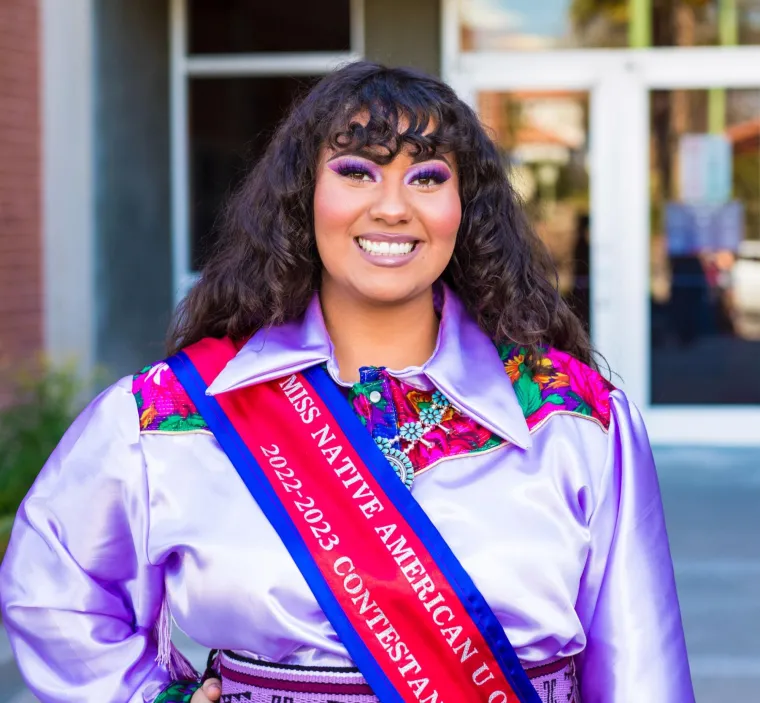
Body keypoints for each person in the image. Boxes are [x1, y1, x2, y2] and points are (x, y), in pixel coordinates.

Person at [0, 61, 695, 703]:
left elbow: (643, 672)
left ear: (466, 208)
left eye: (427, 177)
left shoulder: (573, 419)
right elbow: (50, 584)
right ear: (305, 197)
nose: (393, 207)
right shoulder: (175, 414)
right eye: (358, 171)